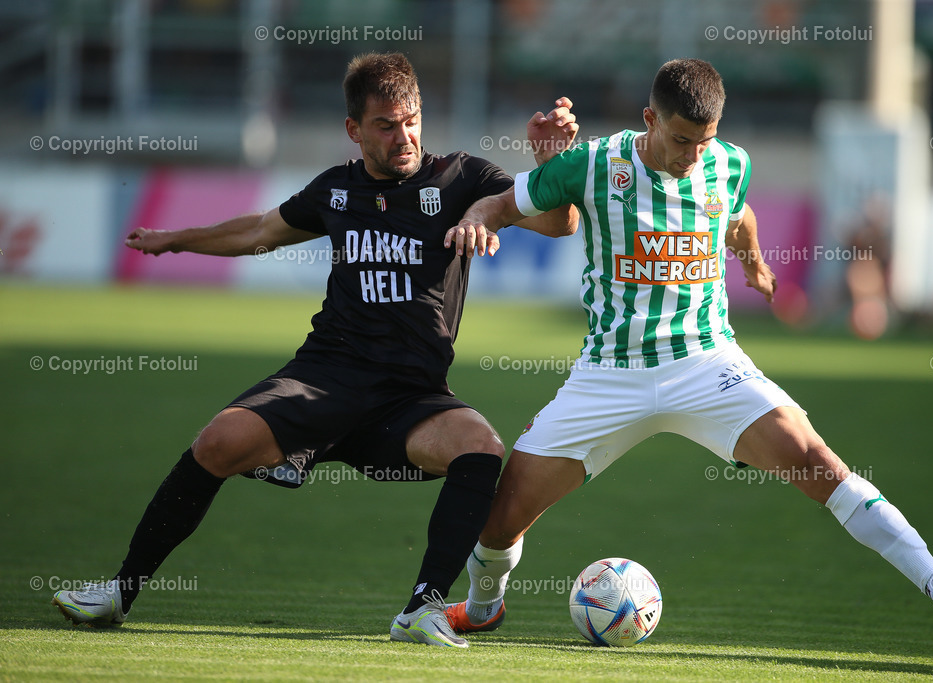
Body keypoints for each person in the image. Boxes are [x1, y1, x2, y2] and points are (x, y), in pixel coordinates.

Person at [443, 58, 933, 637]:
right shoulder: (591, 163)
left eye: (704, 142)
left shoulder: (728, 163)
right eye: (682, 140)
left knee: (819, 463)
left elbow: (738, 218)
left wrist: (756, 265)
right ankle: (485, 610)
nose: (693, 156)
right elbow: (502, 204)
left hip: (708, 362)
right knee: (501, 519)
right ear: (649, 120)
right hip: (610, 372)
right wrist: (475, 221)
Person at [50, 52, 579, 649]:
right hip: (323, 378)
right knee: (217, 442)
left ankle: (422, 608)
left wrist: (552, 162)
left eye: (411, 120)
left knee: (479, 446)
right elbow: (258, 232)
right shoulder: (335, 190)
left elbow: (559, 225)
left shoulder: (462, 179)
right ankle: (120, 591)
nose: (403, 136)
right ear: (354, 130)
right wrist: (177, 240)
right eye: (385, 125)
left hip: (410, 399)